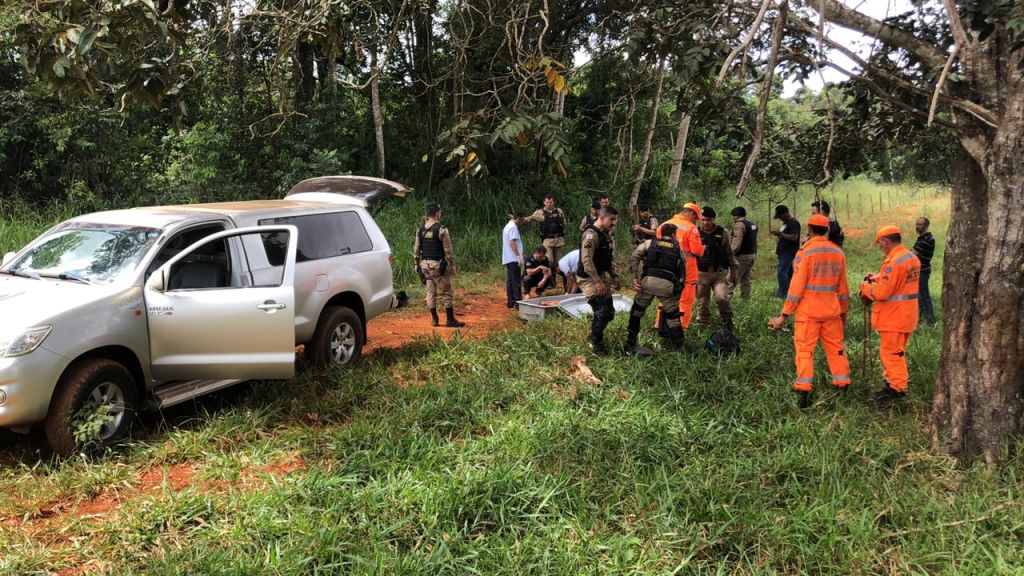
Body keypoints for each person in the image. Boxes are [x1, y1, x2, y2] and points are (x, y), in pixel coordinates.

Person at [769, 214, 851, 409]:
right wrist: (843, 313)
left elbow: (796, 288)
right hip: (831, 312)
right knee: (836, 350)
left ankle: (803, 390)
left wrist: (784, 314)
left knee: (805, 352)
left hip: (808, 313)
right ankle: (842, 386)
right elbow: (843, 288)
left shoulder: (805, 253)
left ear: (809, 229)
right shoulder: (838, 252)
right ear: (827, 230)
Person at [859, 225, 921, 406]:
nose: (881, 248)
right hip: (907, 316)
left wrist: (865, 287)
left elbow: (881, 294)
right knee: (898, 352)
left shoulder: (893, 263)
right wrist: (878, 277)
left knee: (891, 355)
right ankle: (892, 384)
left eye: (881, 244)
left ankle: (897, 391)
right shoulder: (910, 257)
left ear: (886, 241)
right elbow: (900, 281)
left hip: (894, 318)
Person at [626, 223, 686, 354]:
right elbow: (682, 272)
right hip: (667, 286)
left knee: (636, 312)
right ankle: (679, 348)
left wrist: (634, 277)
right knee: (673, 317)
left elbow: (634, 257)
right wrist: (677, 292)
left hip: (648, 282)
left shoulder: (649, 243)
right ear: (672, 235)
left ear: (660, 233)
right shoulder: (677, 249)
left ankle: (630, 343)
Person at [578, 206, 621, 355]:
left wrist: (614, 275)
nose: (614, 223)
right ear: (601, 218)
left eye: (615, 219)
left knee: (610, 312)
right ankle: (596, 344)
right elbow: (586, 260)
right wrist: (597, 281)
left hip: (600, 276)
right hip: (588, 278)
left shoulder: (605, 235)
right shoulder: (590, 235)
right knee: (602, 311)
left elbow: (607, 259)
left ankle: (594, 334)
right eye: (612, 219)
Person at [414, 203, 465, 327]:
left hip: (425, 265)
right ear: (437, 213)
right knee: (447, 291)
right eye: (440, 212)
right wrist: (453, 264)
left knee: (431, 292)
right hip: (437, 266)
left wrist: (416, 265)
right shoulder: (441, 230)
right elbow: (448, 251)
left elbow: (416, 250)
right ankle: (450, 319)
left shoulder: (420, 230)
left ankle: (435, 319)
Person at [657, 202, 704, 330]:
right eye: (695, 218)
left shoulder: (664, 225)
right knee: (686, 300)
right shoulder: (690, 228)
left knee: (666, 297)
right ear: (691, 214)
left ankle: (660, 324)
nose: (696, 222)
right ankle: (681, 328)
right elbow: (697, 251)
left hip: (666, 268)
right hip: (686, 269)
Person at [695, 207, 739, 331]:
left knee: (721, 297)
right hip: (701, 273)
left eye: (708, 220)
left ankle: (727, 321)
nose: (705, 223)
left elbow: (729, 253)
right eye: (702, 220)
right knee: (702, 301)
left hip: (719, 273)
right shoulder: (696, 233)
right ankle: (702, 324)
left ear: (713, 219)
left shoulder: (722, 233)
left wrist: (734, 272)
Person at [525, 195, 567, 290]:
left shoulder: (559, 211)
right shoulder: (540, 213)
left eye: (551, 202)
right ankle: (551, 281)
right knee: (549, 261)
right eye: (548, 202)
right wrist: (519, 219)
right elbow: (530, 219)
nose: (550, 204)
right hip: (547, 240)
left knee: (559, 263)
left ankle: (561, 281)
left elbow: (564, 222)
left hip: (559, 239)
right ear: (544, 202)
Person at [770, 205, 801, 298]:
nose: (780, 219)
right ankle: (789, 292)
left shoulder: (793, 223)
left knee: (782, 272)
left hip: (788, 252)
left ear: (785, 213)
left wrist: (781, 234)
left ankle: (782, 293)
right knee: (788, 272)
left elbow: (794, 237)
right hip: (783, 251)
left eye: (780, 216)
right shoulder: (786, 223)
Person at [911, 217, 937, 325]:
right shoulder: (923, 238)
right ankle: (920, 317)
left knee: (924, 295)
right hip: (920, 270)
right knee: (919, 295)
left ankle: (930, 320)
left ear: (926, 226)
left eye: (920, 224)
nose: (917, 226)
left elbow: (913, 254)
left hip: (923, 271)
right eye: (916, 224)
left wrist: (899, 254)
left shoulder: (926, 239)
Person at [729, 206, 758, 300]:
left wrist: (729, 254)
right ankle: (746, 300)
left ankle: (725, 302)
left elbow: (736, 243)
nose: (732, 219)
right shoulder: (752, 224)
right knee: (746, 280)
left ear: (736, 216)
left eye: (733, 216)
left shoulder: (739, 225)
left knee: (731, 280)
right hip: (752, 255)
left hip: (742, 257)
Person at [502, 212, 525, 308]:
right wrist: (518, 256)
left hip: (508, 257)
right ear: (518, 218)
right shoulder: (513, 227)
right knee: (516, 281)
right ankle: (517, 302)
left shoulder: (508, 226)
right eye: (522, 220)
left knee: (511, 281)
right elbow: (512, 242)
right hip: (513, 258)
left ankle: (510, 302)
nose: (522, 222)